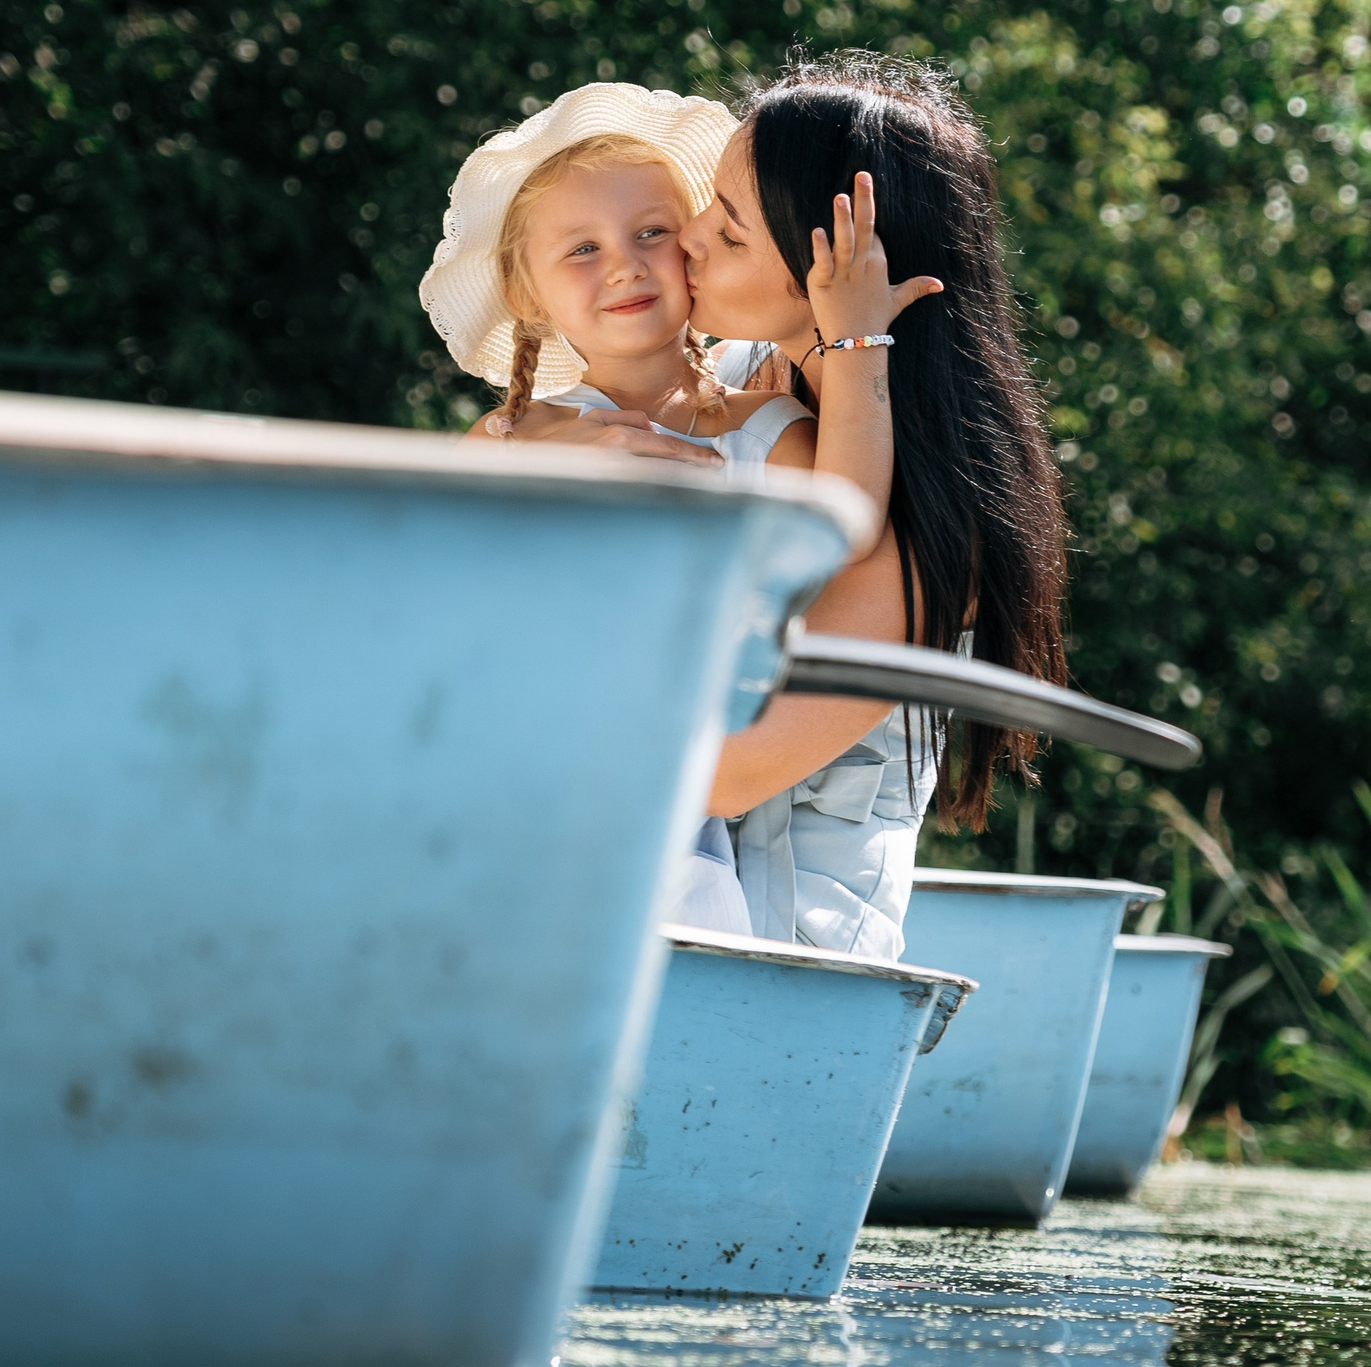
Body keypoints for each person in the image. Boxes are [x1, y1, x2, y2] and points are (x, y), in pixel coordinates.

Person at [416, 80, 935, 931]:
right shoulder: (511, 434)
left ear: (690, 255)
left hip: (664, 811)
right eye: (580, 249)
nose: (623, 262)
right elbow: (431, 574)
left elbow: (848, 523)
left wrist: (855, 341)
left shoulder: (766, 428)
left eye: (651, 232)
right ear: (529, 294)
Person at [683, 51, 1070, 960]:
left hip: (782, 965)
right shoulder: (742, 388)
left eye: (731, 233)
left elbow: (730, 773)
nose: (687, 238)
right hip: (669, 910)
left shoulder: (934, 523)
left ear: (837, 273)